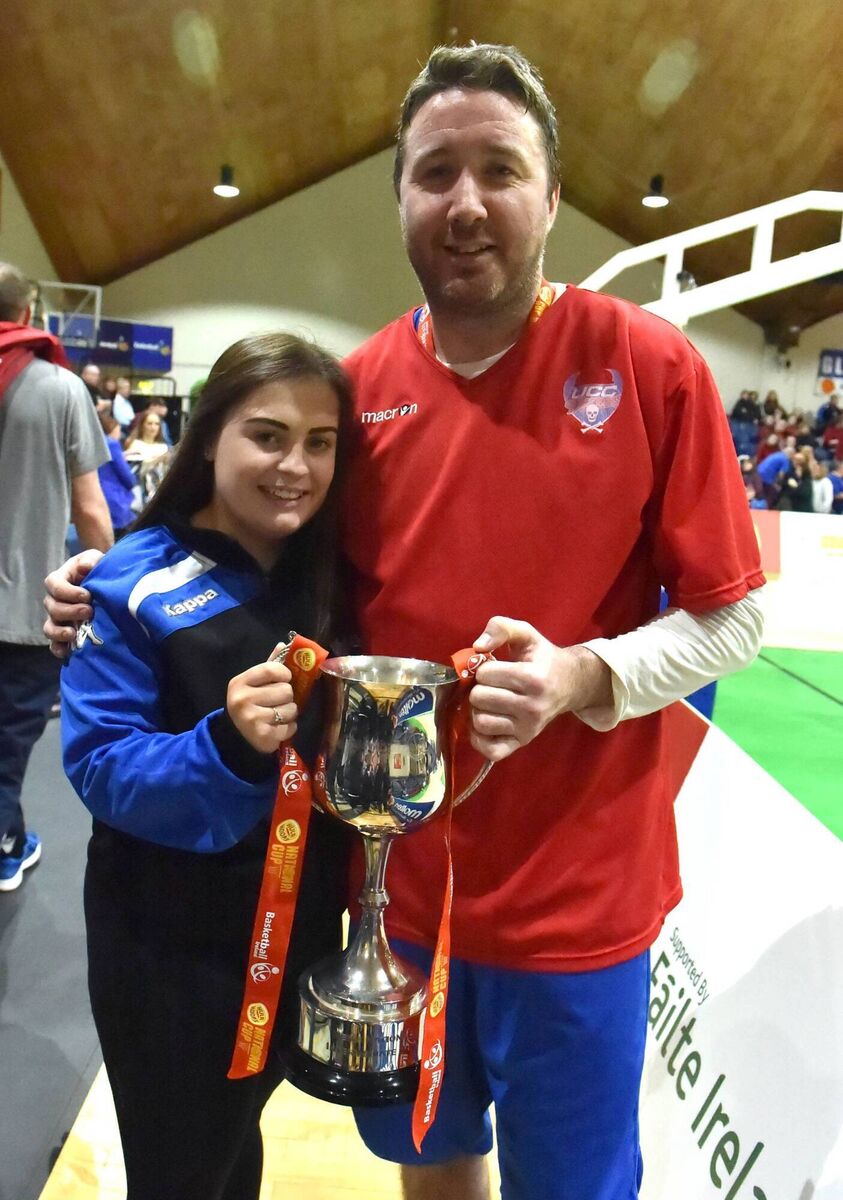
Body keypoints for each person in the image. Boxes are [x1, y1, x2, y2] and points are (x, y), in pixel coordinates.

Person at [44, 44, 765, 1200]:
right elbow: (262, 567)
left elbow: (734, 622)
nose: (466, 203)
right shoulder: (359, 393)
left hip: (581, 906)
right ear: (400, 203)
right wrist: (113, 577)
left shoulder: (648, 365)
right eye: (435, 174)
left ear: (553, 197)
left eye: (500, 170)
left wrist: (583, 676)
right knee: (429, 1169)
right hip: (395, 898)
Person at [59, 332, 353, 1200]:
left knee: (232, 1147)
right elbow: (100, 763)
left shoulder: (335, 573)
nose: (295, 466)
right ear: (209, 436)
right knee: (181, 1170)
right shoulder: (130, 580)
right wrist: (222, 743)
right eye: (267, 435)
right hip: (171, 951)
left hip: (299, 933)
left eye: (320, 442)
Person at [0, 261, 112, 892]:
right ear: (27, 314)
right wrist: (116, 588)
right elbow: (90, 508)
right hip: (21, 611)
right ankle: (4, 844)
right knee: (8, 740)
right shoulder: (59, 388)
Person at [97, 412, 139, 537]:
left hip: (95, 499)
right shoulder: (112, 444)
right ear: (113, 429)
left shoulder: (91, 443)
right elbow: (126, 476)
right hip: (116, 501)